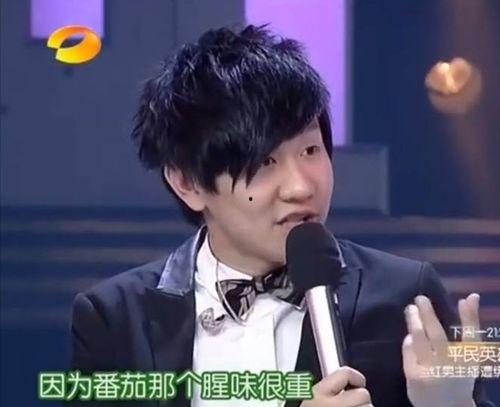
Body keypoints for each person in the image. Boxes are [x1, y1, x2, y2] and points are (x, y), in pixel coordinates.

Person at [70, 25, 495, 407]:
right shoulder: (114, 317)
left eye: (310, 150)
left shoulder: (407, 294)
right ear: (188, 183)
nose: (300, 187)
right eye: (265, 162)